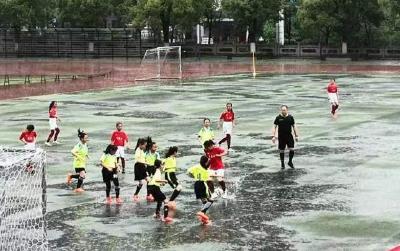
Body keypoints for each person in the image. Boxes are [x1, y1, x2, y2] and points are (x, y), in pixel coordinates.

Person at [187, 155, 214, 225]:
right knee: (210, 200)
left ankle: (203, 219)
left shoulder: (196, 166)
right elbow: (209, 180)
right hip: (203, 185)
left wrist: (193, 176)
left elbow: (188, 172)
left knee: (204, 202)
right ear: (205, 162)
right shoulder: (206, 170)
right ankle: (201, 212)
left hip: (196, 184)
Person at [272, 105, 299, 169]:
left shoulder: (290, 117)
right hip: (281, 137)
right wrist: (273, 136)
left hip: (289, 136)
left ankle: (290, 162)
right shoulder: (278, 118)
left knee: (292, 149)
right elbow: (274, 127)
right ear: (281, 110)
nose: (283, 111)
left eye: (284, 110)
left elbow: (294, 126)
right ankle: (282, 164)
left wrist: (296, 135)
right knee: (281, 151)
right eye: (282, 110)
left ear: (287, 110)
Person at [145, 137, 160, 202]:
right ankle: (148, 194)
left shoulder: (157, 154)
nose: (155, 148)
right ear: (150, 147)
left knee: (154, 181)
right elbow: (143, 159)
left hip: (154, 168)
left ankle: (154, 193)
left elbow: (159, 161)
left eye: (156, 147)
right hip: (148, 168)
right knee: (149, 181)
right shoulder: (147, 153)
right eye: (154, 147)